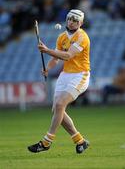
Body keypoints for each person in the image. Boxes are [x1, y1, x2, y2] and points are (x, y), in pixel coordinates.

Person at [28, 9, 90, 154]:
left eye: (75, 20)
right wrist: (48, 68)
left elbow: (68, 56)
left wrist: (47, 50)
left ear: (80, 23)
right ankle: (80, 141)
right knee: (56, 109)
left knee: (60, 104)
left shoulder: (82, 37)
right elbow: (56, 58)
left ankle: (46, 142)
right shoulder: (62, 37)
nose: (71, 22)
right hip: (65, 75)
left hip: (80, 75)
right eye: (69, 19)